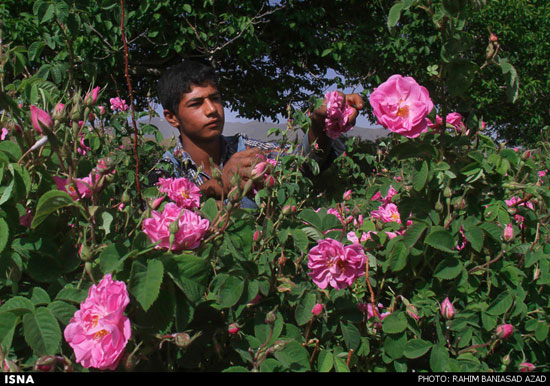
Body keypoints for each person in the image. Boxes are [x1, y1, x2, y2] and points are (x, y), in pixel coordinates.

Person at [149, 60, 364, 208]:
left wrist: (320, 126)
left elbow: (301, 164)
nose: (212, 109)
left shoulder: (246, 149)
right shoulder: (165, 172)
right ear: (172, 117)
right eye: (196, 103)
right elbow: (160, 221)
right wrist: (215, 187)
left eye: (215, 98)